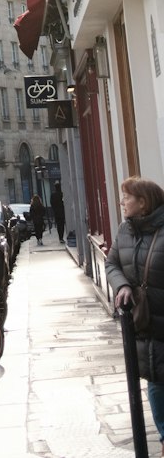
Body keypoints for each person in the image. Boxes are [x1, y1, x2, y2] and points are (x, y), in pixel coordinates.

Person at [106, 176, 164, 458]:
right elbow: (112, 262)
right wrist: (123, 285)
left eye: (127, 197)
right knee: (155, 380)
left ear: (143, 202)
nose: (122, 202)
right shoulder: (125, 231)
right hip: (144, 323)